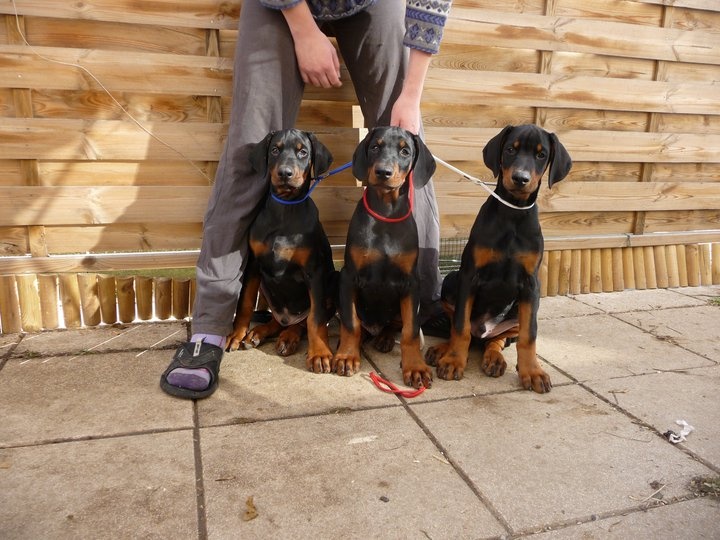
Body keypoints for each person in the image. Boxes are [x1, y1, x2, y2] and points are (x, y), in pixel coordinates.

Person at [160, 0, 453, 399]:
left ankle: (425, 307)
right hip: (279, 6)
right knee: (249, 153)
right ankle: (211, 326)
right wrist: (302, 28)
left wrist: (412, 93)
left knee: (407, 145)